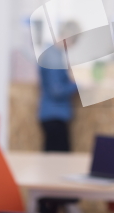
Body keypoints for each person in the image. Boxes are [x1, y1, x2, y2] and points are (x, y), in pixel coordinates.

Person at [38, 21, 80, 152]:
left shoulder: (54, 54)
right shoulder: (53, 58)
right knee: (58, 158)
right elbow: (56, 91)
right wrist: (77, 85)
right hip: (54, 116)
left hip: (54, 115)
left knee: (55, 158)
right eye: (74, 42)